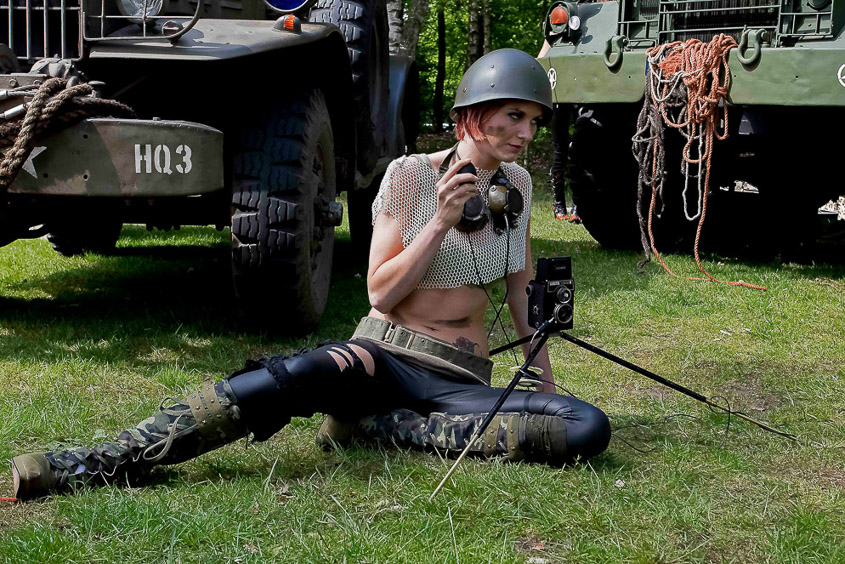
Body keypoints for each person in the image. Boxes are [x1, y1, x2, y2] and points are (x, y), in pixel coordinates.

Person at [9, 49, 610, 501]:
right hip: (386, 355)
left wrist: (543, 378)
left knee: (585, 426)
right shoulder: (408, 176)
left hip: (461, 380)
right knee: (298, 372)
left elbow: (520, 289)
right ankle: (108, 459)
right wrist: (439, 223)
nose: (527, 134)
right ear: (472, 117)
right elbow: (381, 291)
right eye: (515, 116)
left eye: (535, 121)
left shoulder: (518, 187)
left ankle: (384, 428)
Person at [538, 40, 580, 224]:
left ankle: (578, 205)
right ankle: (559, 204)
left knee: (580, 150)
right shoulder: (556, 32)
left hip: (581, 92)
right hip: (558, 95)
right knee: (560, 151)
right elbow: (541, 60)